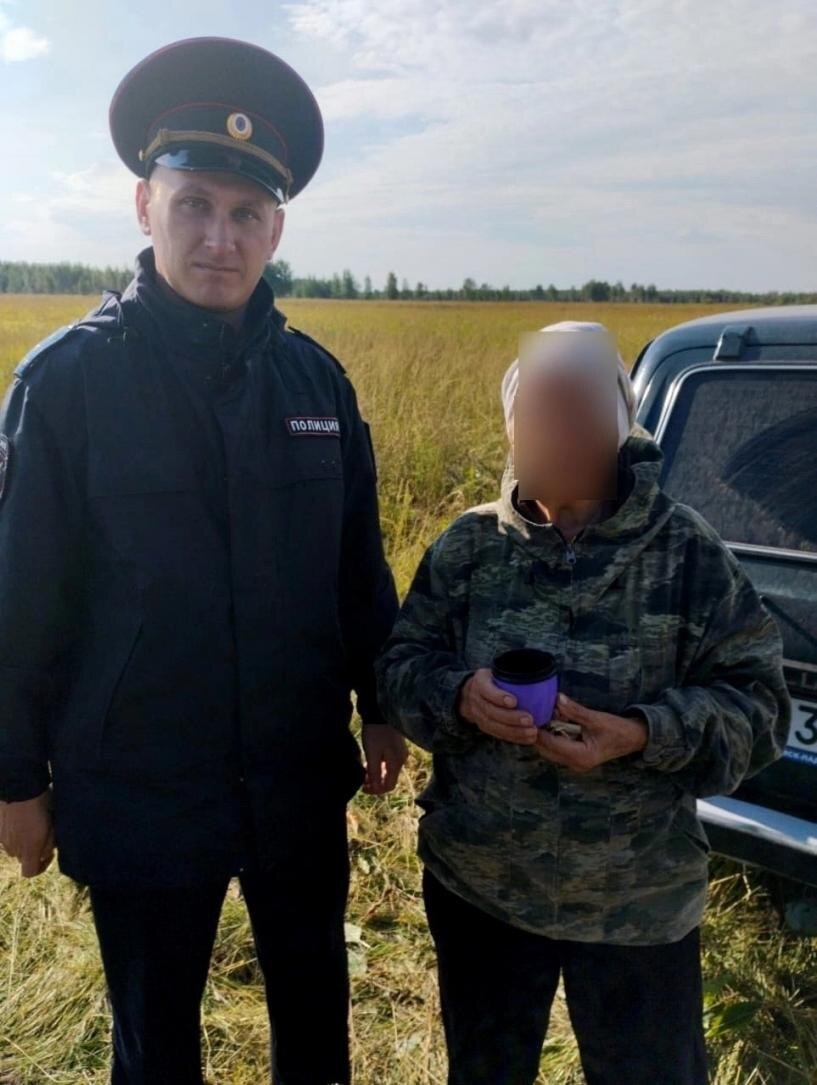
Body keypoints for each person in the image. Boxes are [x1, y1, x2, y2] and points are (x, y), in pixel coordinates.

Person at [0, 36, 406, 1085]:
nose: (220, 238)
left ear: (277, 227)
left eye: (245, 213)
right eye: (194, 206)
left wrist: (382, 703)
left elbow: (356, 568)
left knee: (315, 1021)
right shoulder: (67, 385)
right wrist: (15, 778)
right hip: (138, 782)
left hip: (293, 777)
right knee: (155, 1041)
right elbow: (19, 599)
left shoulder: (317, 385)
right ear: (146, 206)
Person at [374, 320, 791, 1085]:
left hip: (636, 901)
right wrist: (460, 696)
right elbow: (400, 668)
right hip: (483, 888)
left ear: (620, 422)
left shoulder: (687, 554)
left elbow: (759, 709)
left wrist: (639, 732)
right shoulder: (467, 547)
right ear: (509, 426)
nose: (556, 432)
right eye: (537, 411)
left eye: (578, 411)